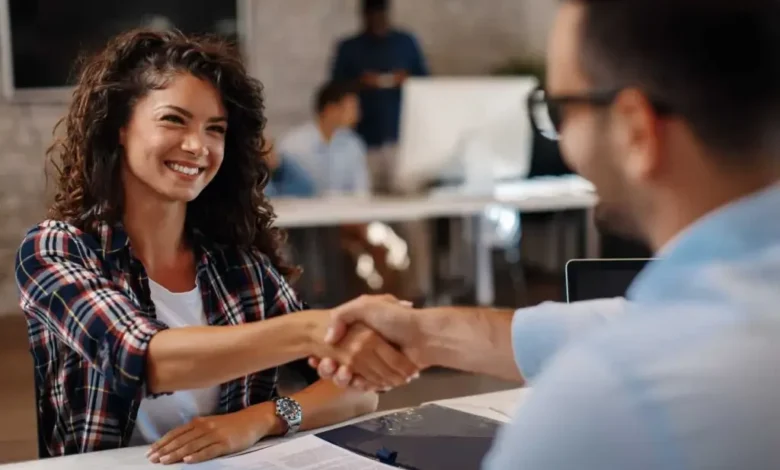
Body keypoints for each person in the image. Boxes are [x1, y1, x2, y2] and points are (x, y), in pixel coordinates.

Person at [313, 0, 780, 468]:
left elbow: (633, 349)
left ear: (635, 129)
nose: (563, 139)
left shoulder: (611, 399)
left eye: (560, 110)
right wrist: (426, 334)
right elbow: (628, 322)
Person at [14, 29, 418, 463]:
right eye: (174, 119)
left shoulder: (240, 266)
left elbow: (358, 392)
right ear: (119, 127)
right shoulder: (55, 249)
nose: (198, 146)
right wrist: (314, 331)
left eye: (215, 129)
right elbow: (145, 360)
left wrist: (262, 418)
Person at [330, 0, 429, 190]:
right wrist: (361, 82)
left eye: (380, 16)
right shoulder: (349, 48)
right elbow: (334, 90)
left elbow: (425, 83)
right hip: (362, 139)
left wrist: (406, 79)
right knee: (366, 203)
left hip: (401, 136)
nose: (377, 21)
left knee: (407, 204)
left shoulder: (405, 43)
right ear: (364, 16)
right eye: (372, 16)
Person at [277, 81, 369, 196]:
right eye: (351, 108)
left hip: (343, 211)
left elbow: (361, 192)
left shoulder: (354, 145)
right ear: (330, 109)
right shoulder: (293, 144)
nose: (357, 115)